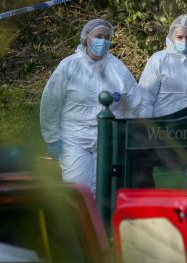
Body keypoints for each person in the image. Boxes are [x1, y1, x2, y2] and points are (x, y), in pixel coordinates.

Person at [40, 18, 141, 194]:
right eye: (98, 36)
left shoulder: (117, 68)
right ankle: (77, 222)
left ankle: (100, 222)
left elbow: (135, 101)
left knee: (102, 191)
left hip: (107, 138)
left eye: (107, 37)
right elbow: (51, 102)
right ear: (87, 38)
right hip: (74, 139)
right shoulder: (69, 66)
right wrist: (52, 137)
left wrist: (131, 132)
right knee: (79, 191)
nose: (102, 41)